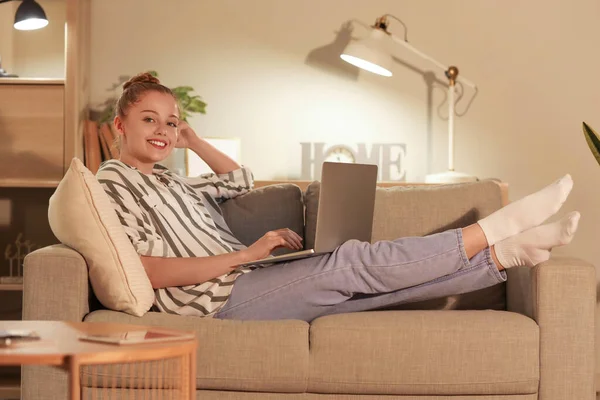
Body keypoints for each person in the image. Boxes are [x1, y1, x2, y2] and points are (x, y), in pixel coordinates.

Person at [96, 72, 580, 322]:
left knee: (369, 292)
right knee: (348, 264)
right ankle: (495, 229)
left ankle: (506, 253)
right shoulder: (113, 180)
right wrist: (245, 254)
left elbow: (241, 179)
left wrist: (193, 142)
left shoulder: (175, 182)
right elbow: (147, 269)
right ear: (119, 125)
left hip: (241, 282)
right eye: (149, 119)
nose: (163, 130)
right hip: (213, 301)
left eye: (171, 120)